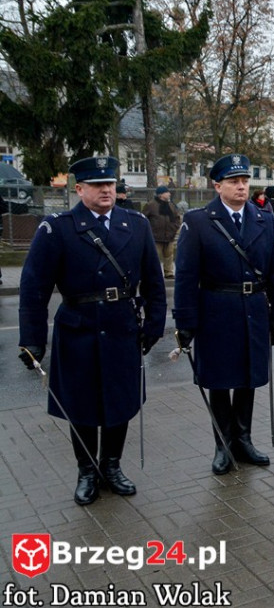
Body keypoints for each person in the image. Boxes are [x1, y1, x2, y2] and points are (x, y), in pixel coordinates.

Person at [19, 156, 165, 505]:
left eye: (110, 184)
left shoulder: (136, 224)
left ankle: (111, 466)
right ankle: (86, 471)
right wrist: (32, 341)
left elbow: (154, 281)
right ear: (79, 189)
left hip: (122, 327)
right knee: (82, 405)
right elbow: (34, 288)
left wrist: (154, 324)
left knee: (120, 400)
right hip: (79, 329)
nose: (106, 190)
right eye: (98, 185)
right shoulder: (58, 228)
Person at [174, 154, 274, 475]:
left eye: (244, 181)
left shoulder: (263, 218)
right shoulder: (199, 221)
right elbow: (186, 277)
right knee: (221, 381)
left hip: (254, 310)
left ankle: (243, 439)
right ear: (217, 185)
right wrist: (185, 322)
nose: (241, 187)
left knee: (248, 378)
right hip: (217, 311)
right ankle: (222, 445)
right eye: (234, 181)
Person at [143, 185, 181, 279]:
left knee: (169, 256)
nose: (169, 194)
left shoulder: (171, 205)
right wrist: (149, 231)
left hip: (169, 236)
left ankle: (169, 272)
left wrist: (174, 228)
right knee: (154, 256)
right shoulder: (151, 205)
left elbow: (177, 218)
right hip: (155, 237)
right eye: (167, 192)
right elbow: (143, 219)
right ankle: (153, 274)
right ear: (161, 194)